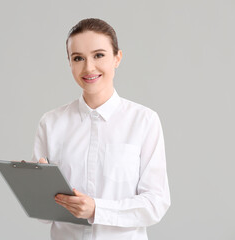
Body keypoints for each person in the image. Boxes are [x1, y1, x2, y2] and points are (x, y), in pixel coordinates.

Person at [32, 18, 170, 240]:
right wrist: (38, 189)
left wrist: (97, 210)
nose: (88, 67)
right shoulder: (50, 123)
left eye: (99, 55)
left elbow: (155, 203)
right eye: (78, 58)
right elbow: (43, 216)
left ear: (117, 58)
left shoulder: (144, 121)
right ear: (70, 63)